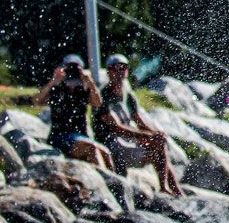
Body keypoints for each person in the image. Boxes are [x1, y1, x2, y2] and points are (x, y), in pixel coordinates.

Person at [94, 53, 184, 197]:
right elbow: (116, 128)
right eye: (116, 68)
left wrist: (155, 133)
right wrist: (148, 136)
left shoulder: (128, 95)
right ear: (109, 71)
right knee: (157, 145)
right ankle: (166, 188)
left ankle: (174, 189)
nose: (120, 72)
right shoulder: (104, 96)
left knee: (159, 144)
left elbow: (139, 122)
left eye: (124, 68)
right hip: (112, 145)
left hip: (127, 142)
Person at [34, 53, 114, 171]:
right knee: (91, 149)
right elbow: (36, 101)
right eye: (69, 69)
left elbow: (98, 103)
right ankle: (104, 179)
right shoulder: (56, 89)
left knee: (106, 153)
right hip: (60, 137)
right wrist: (53, 81)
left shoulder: (83, 89)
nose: (72, 73)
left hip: (81, 136)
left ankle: (113, 180)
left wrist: (90, 81)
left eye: (75, 70)